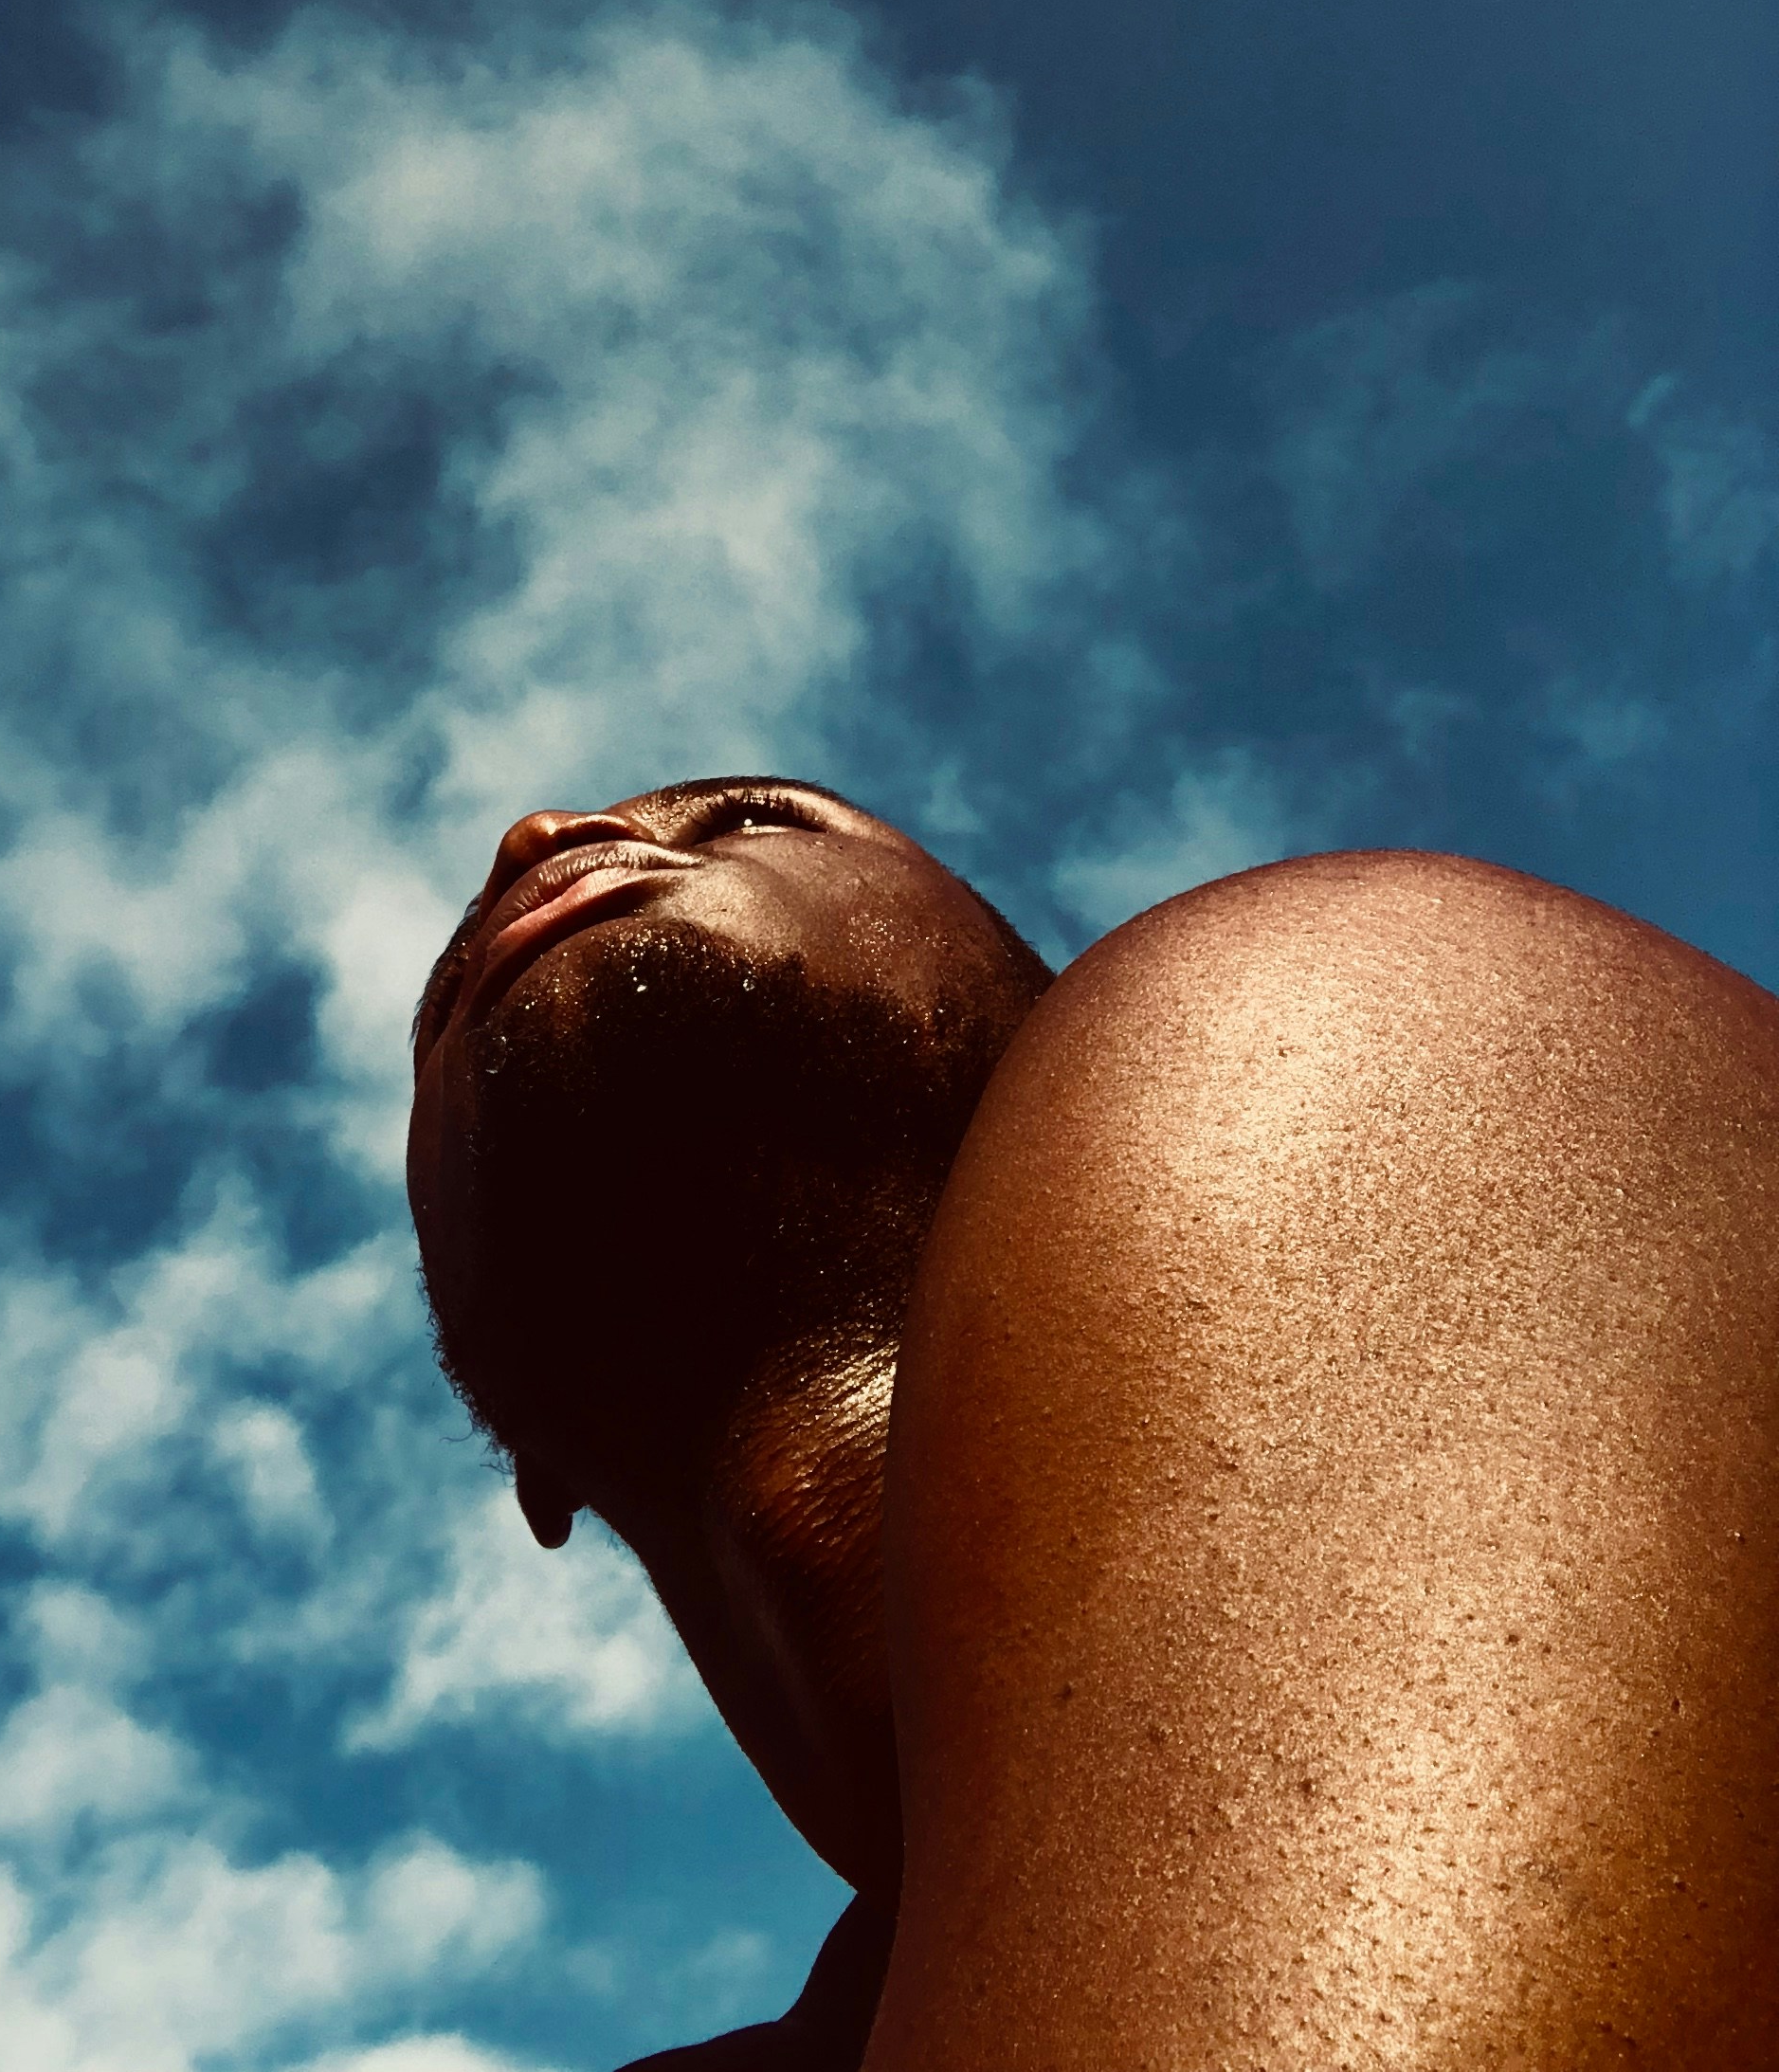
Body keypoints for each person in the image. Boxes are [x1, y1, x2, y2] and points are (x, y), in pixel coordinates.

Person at [407, 778, 1779, 2067]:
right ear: (527, 1467)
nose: (535, 835)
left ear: (1055, 1039)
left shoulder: (1374, 1005)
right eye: (447, 997)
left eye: (754, 817)